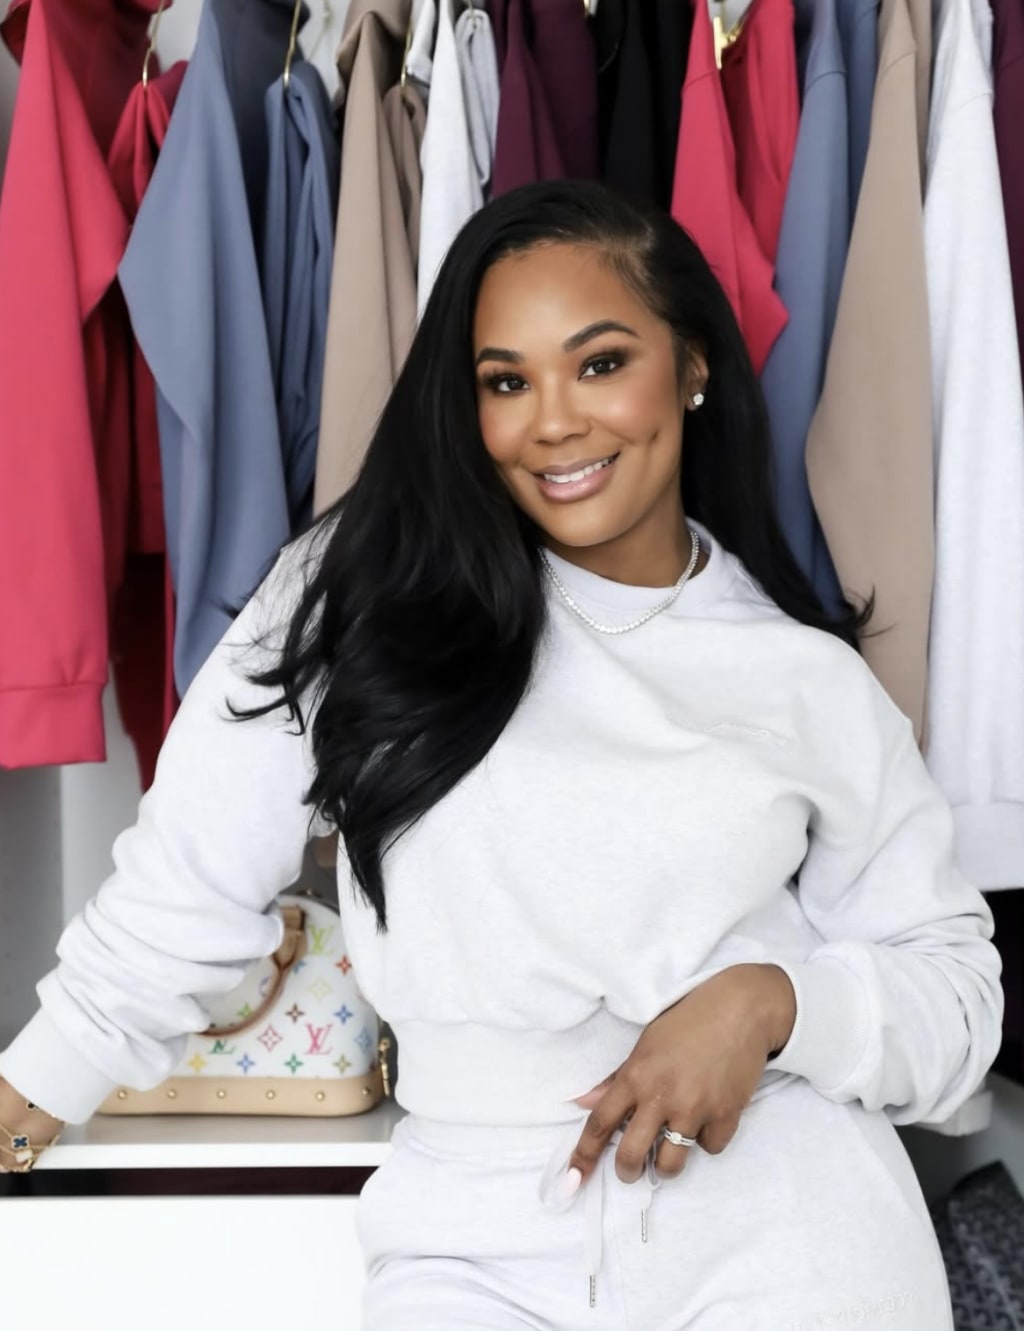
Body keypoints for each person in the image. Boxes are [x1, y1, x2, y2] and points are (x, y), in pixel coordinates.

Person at [0, 180, 1003, 1329]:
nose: (553, 421)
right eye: (506, 381)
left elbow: (955, 999)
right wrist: (24, 1104)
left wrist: (770, 1003)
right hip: (468, 1245)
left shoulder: (803, 679)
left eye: (600, 363)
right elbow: (178, 893)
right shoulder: (364, 596)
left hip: (791, 1239)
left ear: (690, 365)